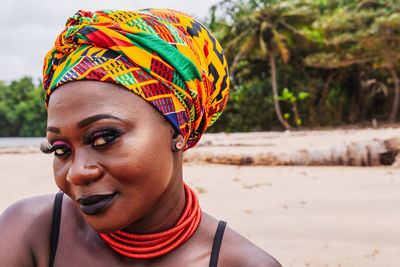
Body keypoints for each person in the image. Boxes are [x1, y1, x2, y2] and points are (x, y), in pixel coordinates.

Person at [0, 9, 281, 266]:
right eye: (60, 150)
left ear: (177, 130)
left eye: (104, 138)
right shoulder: (30, 232)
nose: (76, 173)